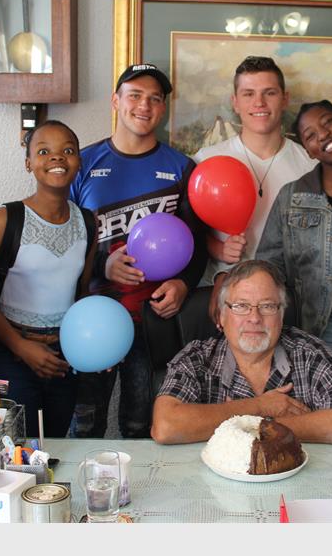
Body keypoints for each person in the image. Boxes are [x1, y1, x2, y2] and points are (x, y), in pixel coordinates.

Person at [69, 63, 207, 438]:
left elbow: (198, 243)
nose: (144, 105)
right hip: (93, 317)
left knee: (140, 426)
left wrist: (183, 284)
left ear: (163, 109)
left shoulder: (182, 168)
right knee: (85, 424)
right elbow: (62, 239)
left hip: (152, 321)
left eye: (155, 99)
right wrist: (102, 264)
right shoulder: (82, 163)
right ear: (116, 101)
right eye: (135, 95)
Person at [150, 259, 332, 444]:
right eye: (241, 306)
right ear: (222, 315)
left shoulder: (310, 354)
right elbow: (165, 427)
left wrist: (259, 426)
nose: (254, 318)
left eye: (267, 306)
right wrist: (260, 407)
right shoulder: (196, 358)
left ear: (281, 315)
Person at [0, 120, 96, 439]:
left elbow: (82, 294)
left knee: (53, 449)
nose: (57, 157)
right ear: (28, 163)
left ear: (79, 161)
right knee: (12, 451)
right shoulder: (6, 220)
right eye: (44, 151)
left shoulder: (88, 223)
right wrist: (20, 345)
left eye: (68, 150)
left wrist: (95, 343)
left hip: (61, 358)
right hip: (9, 353)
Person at [193, 56, 314, 324]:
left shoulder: (309, 165)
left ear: (285, 99)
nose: (259, 103)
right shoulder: (205, 161)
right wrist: (219, 250)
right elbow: (189, 230)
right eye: (248, 94)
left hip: (289, 301)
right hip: (223, 299)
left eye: (269, 93)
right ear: (235, 102)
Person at [257, 100, 332, 364]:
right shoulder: (292, 196)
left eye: (328, 122)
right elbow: (269, 264)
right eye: (311, 135)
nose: (323, 135)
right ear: (308, 151)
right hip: (321, 330)